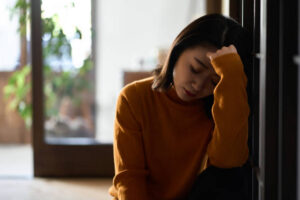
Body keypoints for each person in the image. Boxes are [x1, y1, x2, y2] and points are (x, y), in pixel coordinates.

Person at [109, 13, 252, 200]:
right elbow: (130, 178)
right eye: (195, 68)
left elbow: (229, 160)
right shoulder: (134, 98)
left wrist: (232, 76)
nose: (198, 85)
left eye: (214, 82)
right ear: (178, 50)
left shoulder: (220, 106)